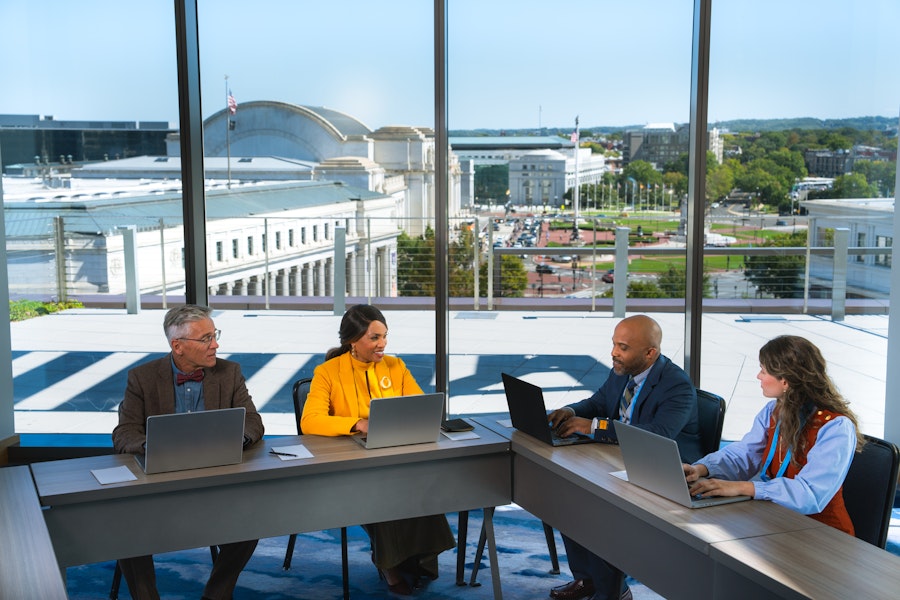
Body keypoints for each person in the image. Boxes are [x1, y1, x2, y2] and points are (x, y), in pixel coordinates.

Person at [301, 304, 455, 596]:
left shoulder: (396, 366)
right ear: (352, 340)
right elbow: (310, 421)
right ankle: (389, 565)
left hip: (394, 456)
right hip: (352, 464)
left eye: (384, 336)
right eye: (374, 338)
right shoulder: (328, 372)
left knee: (419, 484)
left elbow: (421, 407)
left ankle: (415, 558)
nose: (382, 343)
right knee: (383, 492)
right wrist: (357, 424)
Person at [112, 304, 264, 600]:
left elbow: (253, 421)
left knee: (253, 518)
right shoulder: (142, 377)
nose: (215, 344)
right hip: (158, 482)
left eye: (215, 335)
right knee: (124, 525)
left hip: (216, 480)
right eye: (206, 338)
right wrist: (155, 446)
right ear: (177, 346)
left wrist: (235, 439)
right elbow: (124, 432)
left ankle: (216, 595)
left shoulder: (229, 372)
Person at [546, 314, 700, 600]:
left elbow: (658, 434)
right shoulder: (622, 371)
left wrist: (594, 427)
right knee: (568, 493)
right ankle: (588, 579)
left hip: (662, 471)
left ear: (650, 353)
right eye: (614, 344)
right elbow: (597, 403)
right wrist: (570, 411)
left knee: (597, 507)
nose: (614, 352)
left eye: (623, 347)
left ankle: (613, 592)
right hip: (619, 460)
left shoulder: (676, 385)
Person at [685, 335, 864, 534]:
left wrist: (745, 487)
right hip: (775, 520)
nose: (758, 376)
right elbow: (745, 454)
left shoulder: (836, 427)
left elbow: (809, 494)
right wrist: (702, 469)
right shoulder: (773, 411)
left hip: (823, 533)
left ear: (785, 381)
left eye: (763, 370)